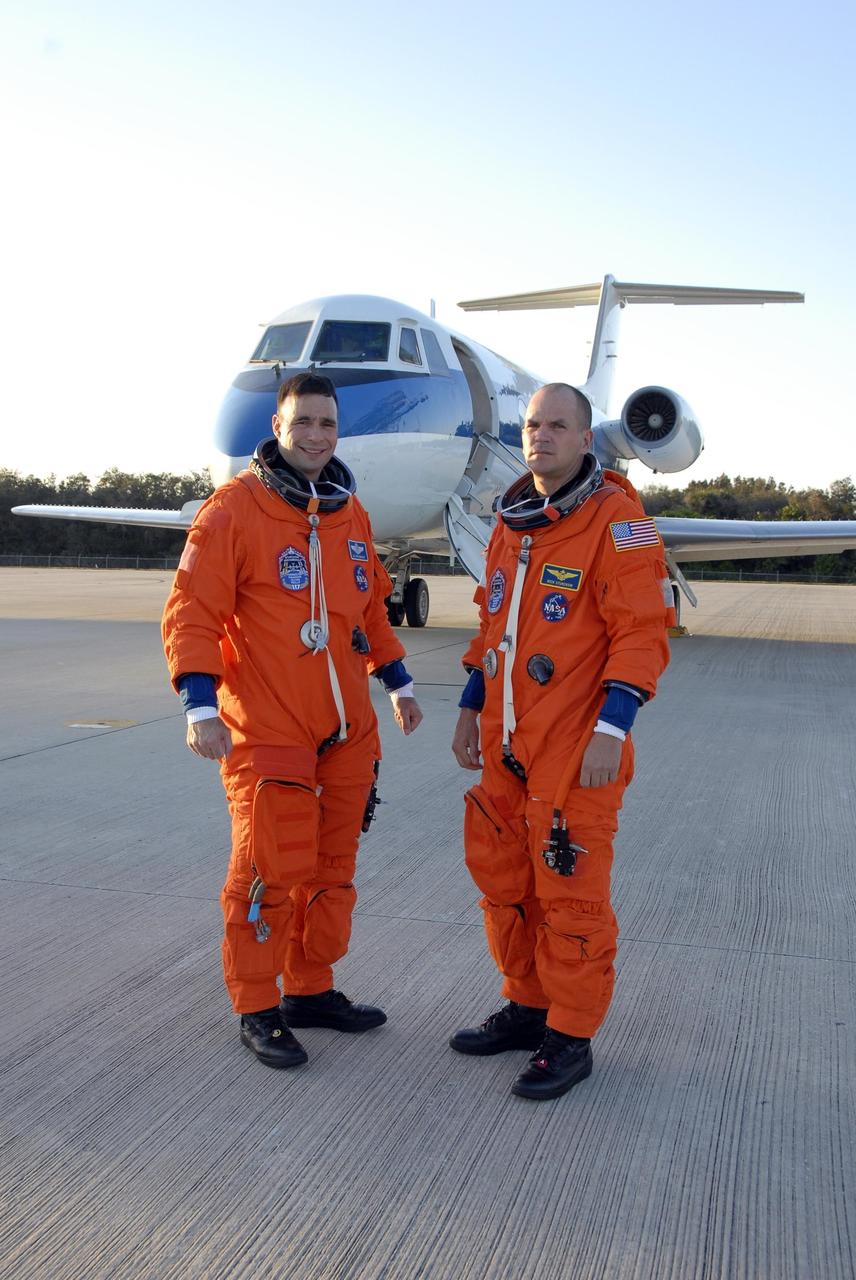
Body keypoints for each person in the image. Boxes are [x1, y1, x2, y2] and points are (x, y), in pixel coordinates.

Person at [162, 372, 422, 1069]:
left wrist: (397, 685)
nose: (315, 436)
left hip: (346, 730)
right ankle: (256, 1003)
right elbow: (193, 612)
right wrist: (199, 704)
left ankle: (310, 988)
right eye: (302, 422)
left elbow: (369, 615)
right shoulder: (233, 509)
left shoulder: (350, 513)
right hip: (268, 726)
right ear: (277, 428)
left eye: (326, 425)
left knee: (332, 871)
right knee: (266, 872)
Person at [450, 382, 672, 1100]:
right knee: (508, 885)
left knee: (572, 896)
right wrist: (468, 706)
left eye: (558, 426)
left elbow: (641, 633)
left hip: (577, 746)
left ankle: (570, 1037)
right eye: (533, 424)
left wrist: (614, 727)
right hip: (509, 742)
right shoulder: (512, 522)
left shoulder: (618, 522)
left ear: (587, 439)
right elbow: (495, 631)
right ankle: (529, 1006)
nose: (541, 435)